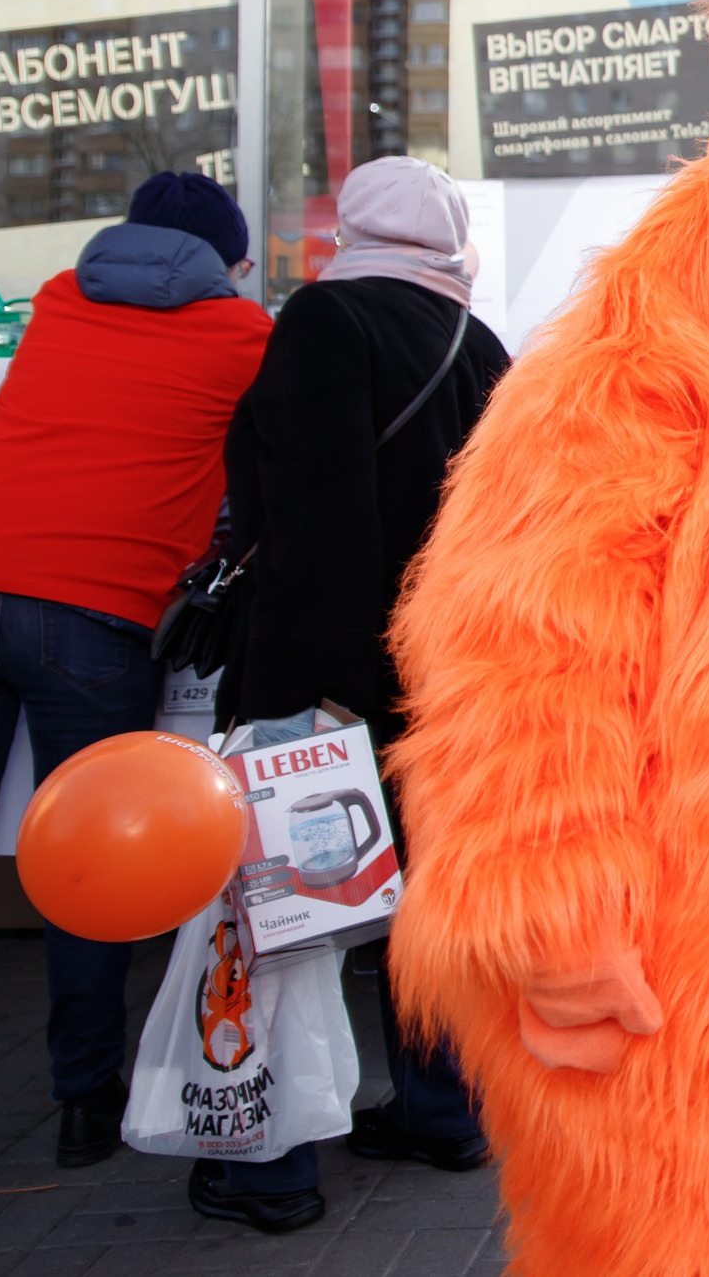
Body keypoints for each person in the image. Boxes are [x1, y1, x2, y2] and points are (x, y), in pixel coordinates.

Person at [0, 173, 271, 1190]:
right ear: (227, 264)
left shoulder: (62, 300)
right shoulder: (242, 338)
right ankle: (83, 1101)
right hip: (90, 613)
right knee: (86, 864)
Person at [188, 156, 509, 1235]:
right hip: (452, 675)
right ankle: (441, 1111)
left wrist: (314, 689)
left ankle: (274, 1167)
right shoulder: (482, 343)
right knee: (428, 905)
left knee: (294, 916)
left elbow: (318, 512)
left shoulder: (328, 322)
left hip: (334, 669)